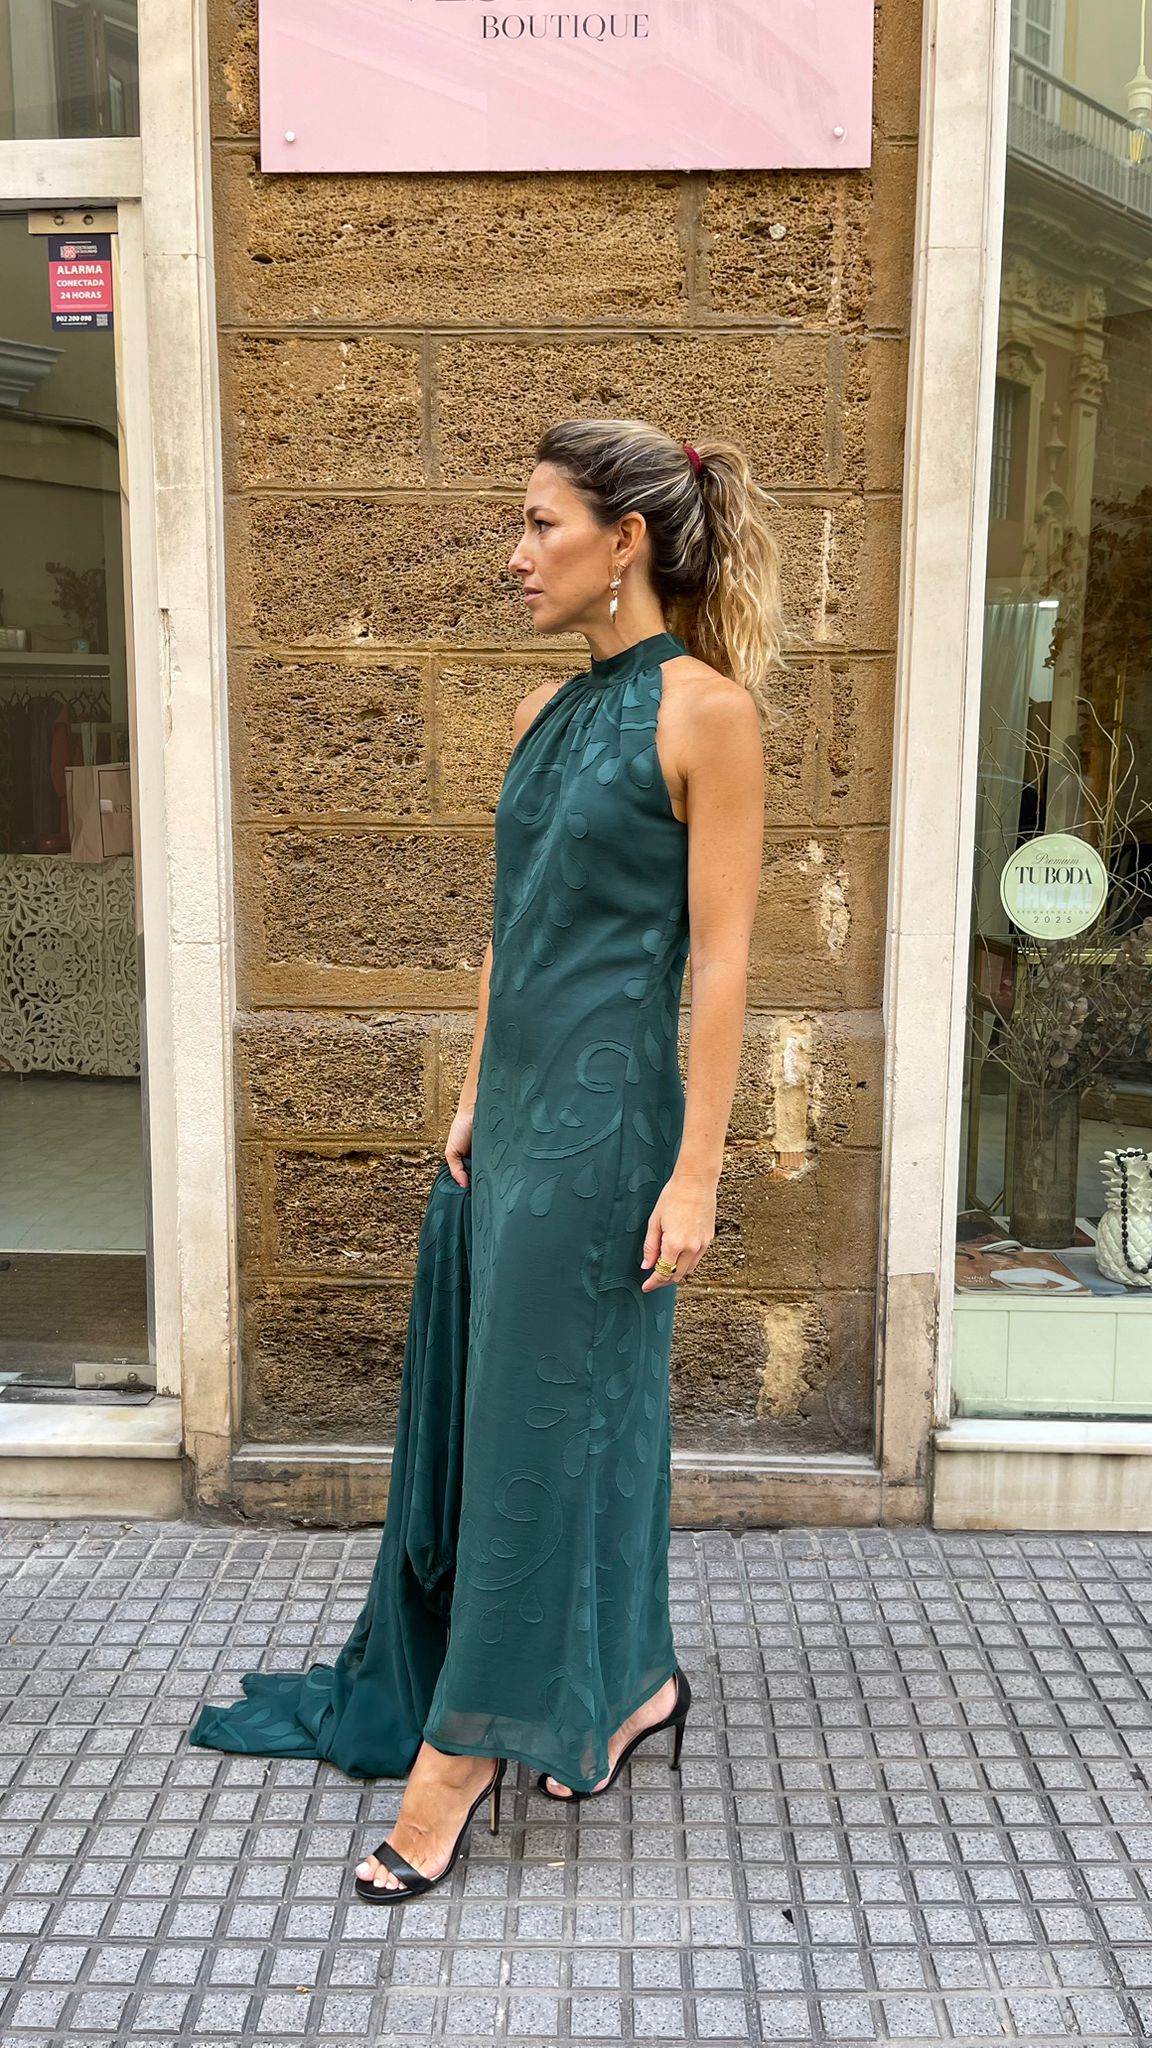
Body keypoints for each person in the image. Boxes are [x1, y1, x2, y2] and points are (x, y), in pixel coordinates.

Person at [190, 417, 778, 1902]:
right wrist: (468, 1094)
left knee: (541, 1430)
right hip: (510, 1121)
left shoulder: (708, 712)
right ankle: (635, 1683)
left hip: (608, 1131)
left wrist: (700, 1171)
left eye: (539, 524)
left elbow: (721, 962)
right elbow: (511, 931)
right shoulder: (540, 713)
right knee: (568, 1415)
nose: (516, 555)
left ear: (624, 542)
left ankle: (457, 1759)